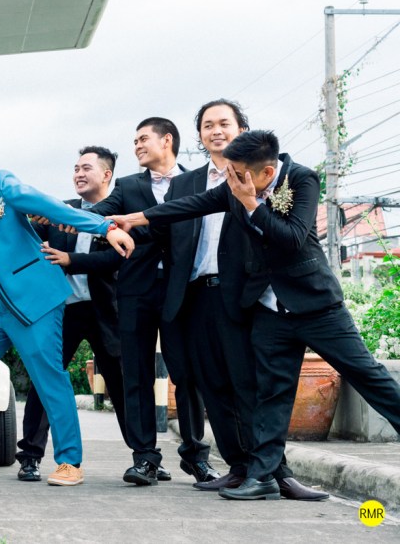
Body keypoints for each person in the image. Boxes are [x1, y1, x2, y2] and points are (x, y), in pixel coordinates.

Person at [114, 130, 400, 500]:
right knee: (270, 395)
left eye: (236, 174)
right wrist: (136, 219)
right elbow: (193, 204)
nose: (228, 179)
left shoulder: (302, 179)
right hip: (268, 310)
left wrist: (251, 204)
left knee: (367, 374)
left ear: (265, 173)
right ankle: (263, 477)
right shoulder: (236, 184)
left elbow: (292, 238)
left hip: (315, 305)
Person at [0, 132, 134, 488]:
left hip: (32, 300)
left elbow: (50, 207)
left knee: (48, 377)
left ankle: (69, 462)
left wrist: (106, 227)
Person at [87, 118, 214, 486]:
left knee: (186, 374)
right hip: (135, 290)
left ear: (166, 140)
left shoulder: (196, 182)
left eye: (143, 139)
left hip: (182, 288)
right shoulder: (128, 185)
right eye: (135, 141)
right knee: (136, 374)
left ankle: (196, 456)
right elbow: (99, 211)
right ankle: (145, 458)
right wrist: (65, 218)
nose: (137, 146)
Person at [16, 146, 130, 483]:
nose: (78, 174)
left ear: (106, 175)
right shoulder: (60, 212)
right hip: (62, 310)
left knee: (122, 383)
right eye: (76, 169)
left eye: (86, 168)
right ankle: (30, 457)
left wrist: (71, 261)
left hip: (104, 310)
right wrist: (30, 220)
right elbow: (29, 240)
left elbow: (115, 259)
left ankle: (144, 457)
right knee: (44, 380)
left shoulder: (120, 216)